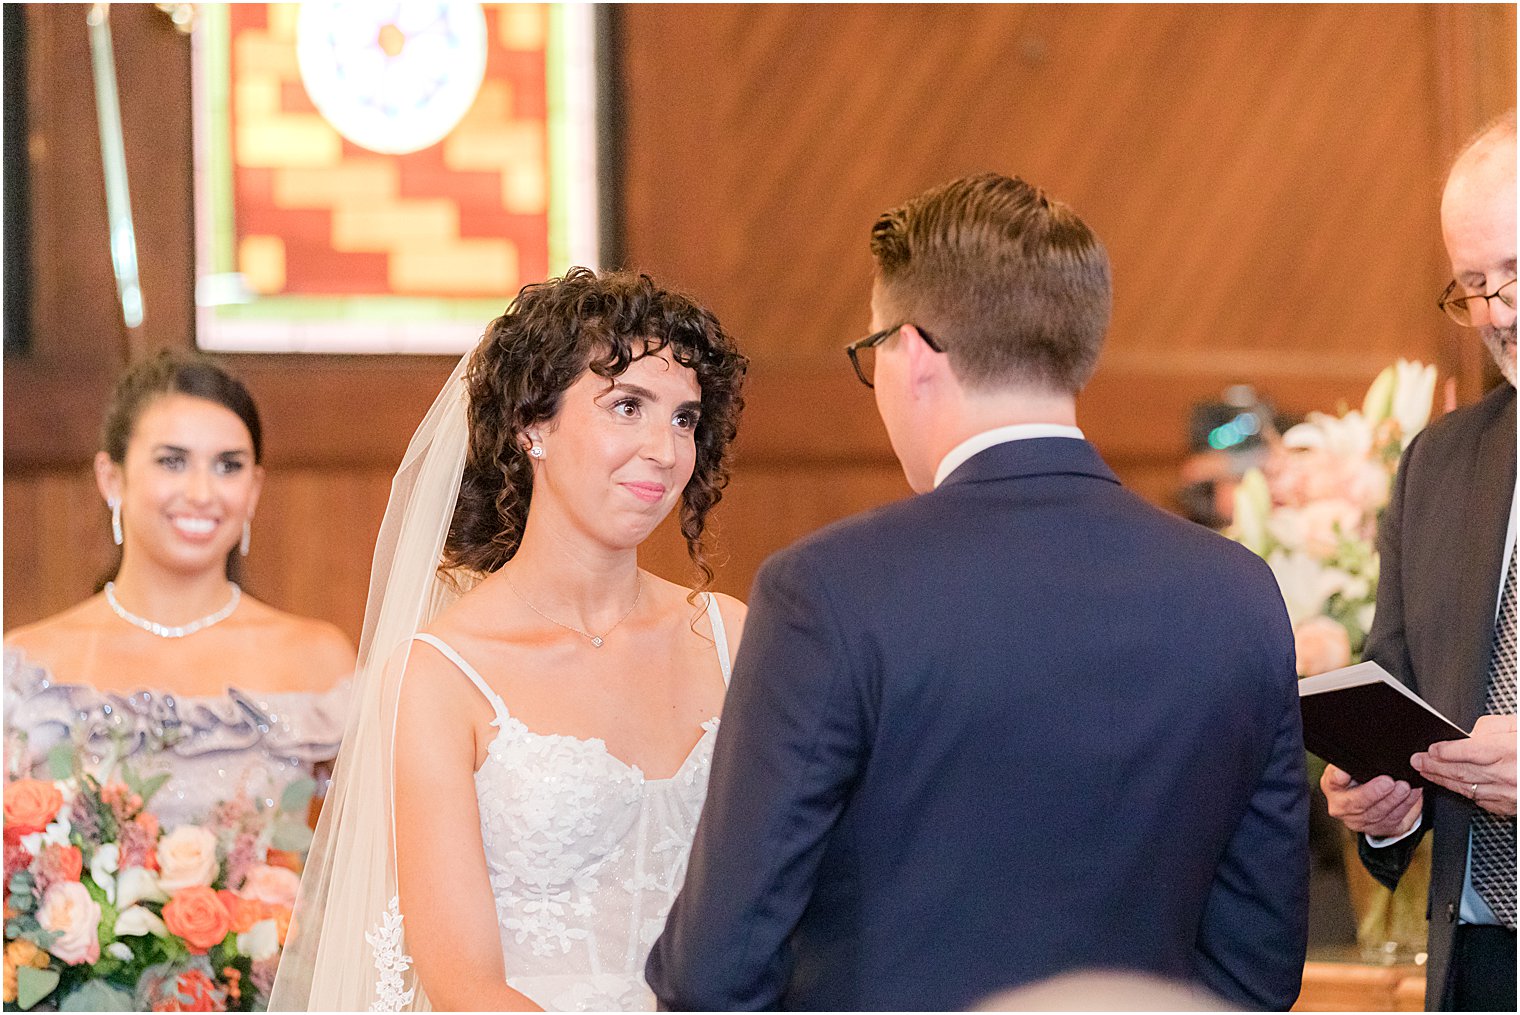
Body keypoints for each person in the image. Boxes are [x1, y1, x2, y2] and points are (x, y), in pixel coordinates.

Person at [646, 173, 1309, 1011]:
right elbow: (1262, 961)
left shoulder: (830, 592)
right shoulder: (1237, 592)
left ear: (914, 353)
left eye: (873, 353)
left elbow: (717, 970)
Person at [270, 268, 748, 1012]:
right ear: (533, 426)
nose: (664, 448)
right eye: (628, 405)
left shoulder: (733, 636)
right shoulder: (439, 677)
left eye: (685, 419)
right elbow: (465, 984)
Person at [1321, 110, 1516, 1011]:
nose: (1495, 314)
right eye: (1471, 285)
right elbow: (1395, 692)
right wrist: (1380, 797)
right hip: (1475, 964)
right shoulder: (1440, 464)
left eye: (1515, 273)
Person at [4, 350, 354, 828]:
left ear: (253, 489)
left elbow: (368, 853)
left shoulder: (317, 660)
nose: (202, 493)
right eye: (172, 461)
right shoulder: (26, 667)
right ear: (112, 478)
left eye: (228, 467)